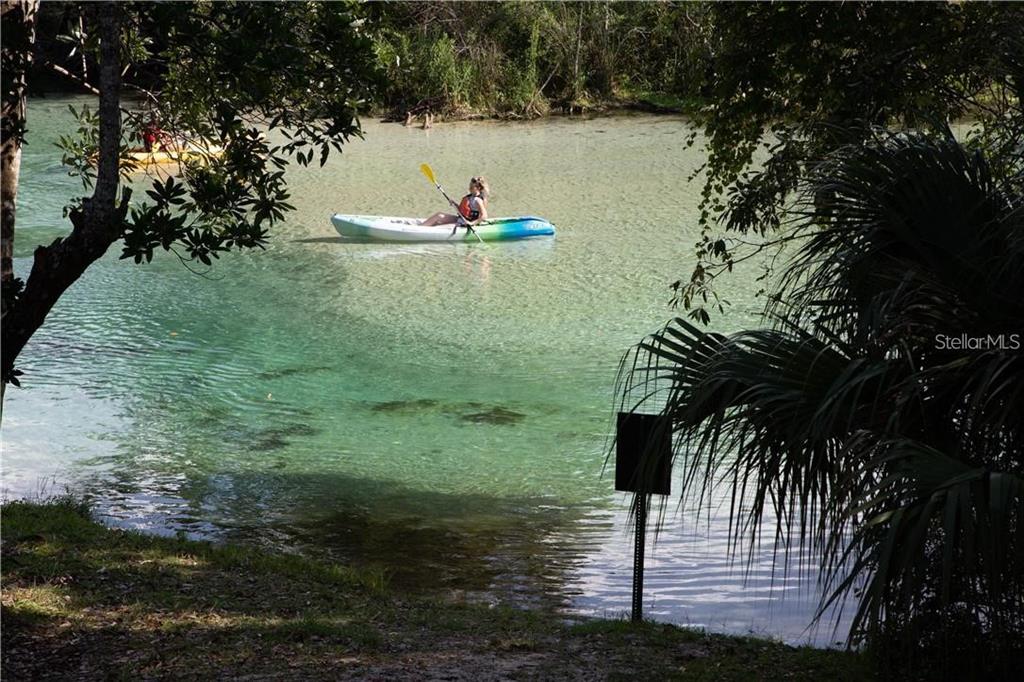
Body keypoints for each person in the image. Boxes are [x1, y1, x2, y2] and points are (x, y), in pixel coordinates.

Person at [422, 176, 489, 227]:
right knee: (439, 215)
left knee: (439, 225)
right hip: (461, 219)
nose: (469, 188)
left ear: (478, 188)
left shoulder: (478, 200)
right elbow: (463, 211)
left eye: (471, 187)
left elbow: (484, 216)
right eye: (469, 186)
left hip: (465, 223)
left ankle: (421, 231)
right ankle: (421, 227)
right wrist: (454, 204)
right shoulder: (471, 197)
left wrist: (472, 223)